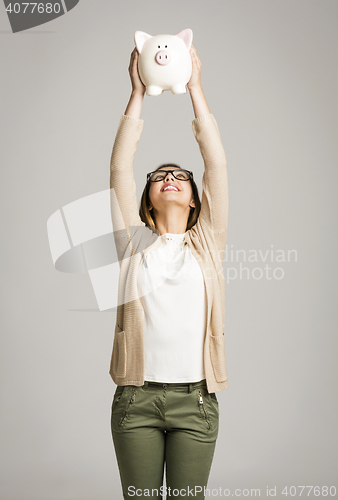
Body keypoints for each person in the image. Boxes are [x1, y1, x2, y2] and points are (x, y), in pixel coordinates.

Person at [109, 44, 229, 500]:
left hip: (195, 401)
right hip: (135, 401)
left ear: (195, 198)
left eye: (180, 175)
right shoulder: (132, 243)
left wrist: (195, 88)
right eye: (159, 177)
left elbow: (215, 164)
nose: (171, 178)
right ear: (147, 199)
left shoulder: (207, 243)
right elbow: (121, 167)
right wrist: (138, 92)